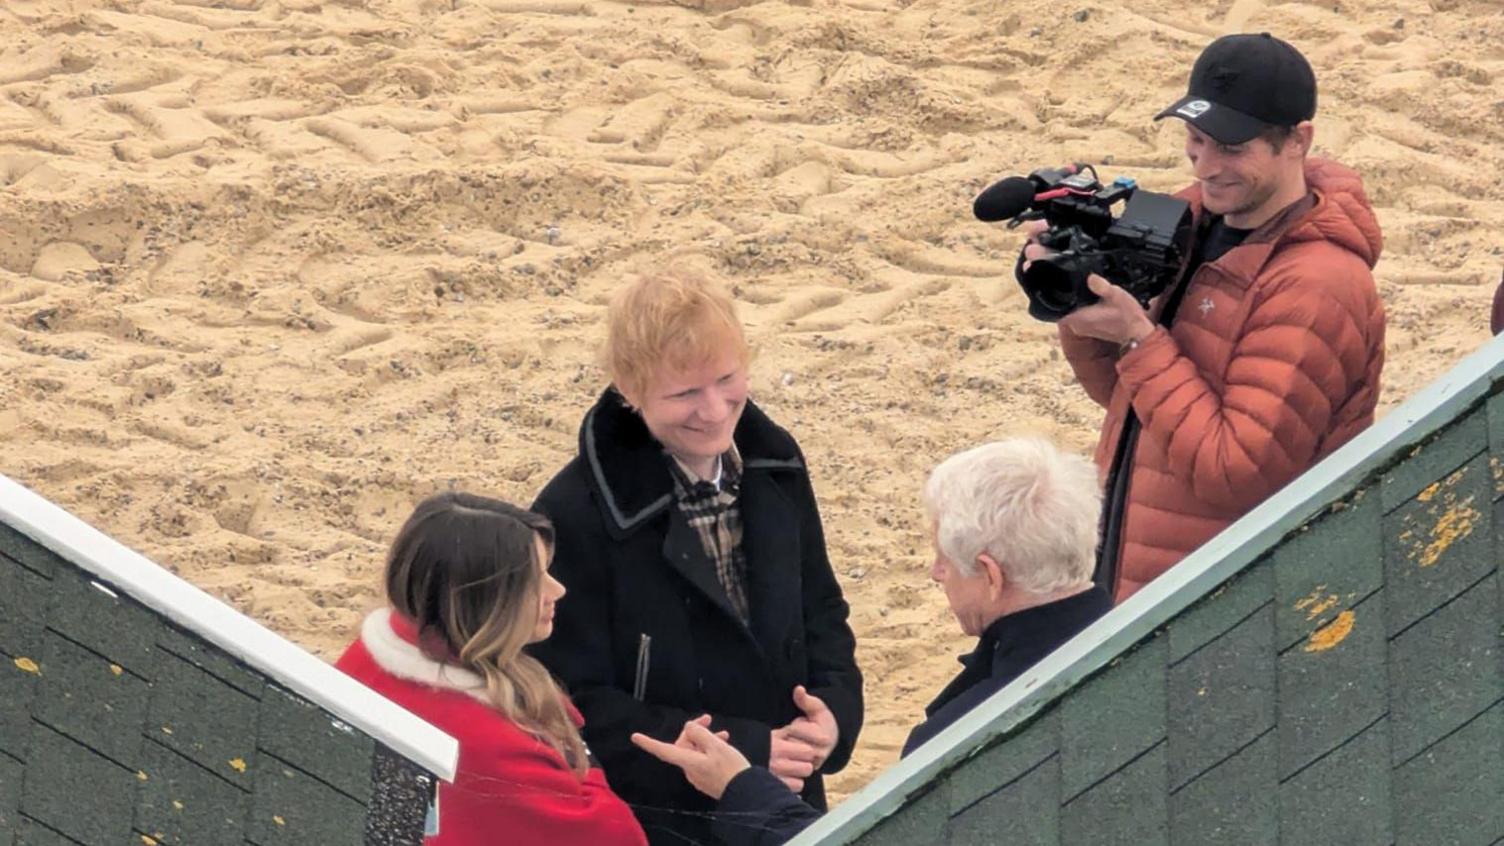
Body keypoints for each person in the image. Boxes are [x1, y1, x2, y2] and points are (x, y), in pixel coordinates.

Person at [1027, 32, 1386, 600]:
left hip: (1229, 604)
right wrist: (1080, 302)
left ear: (1298, 141)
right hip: (1141, 569)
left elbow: (1235, 471)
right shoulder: (1186, 218)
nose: (1206, 165)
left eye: (1232, 148)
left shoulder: (1319, 287)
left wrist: (1141, 341)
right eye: (1195, 140)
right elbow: (1129, 405)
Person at [633, 438, 1113, 846]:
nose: (935, 571)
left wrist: (740, 788)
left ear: (990, 575)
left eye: (944, 557)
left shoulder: (973, 737)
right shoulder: (1143, 633)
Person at [528, 268, 863, 845]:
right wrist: (749, 750)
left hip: (786, 796)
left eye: (727, 379)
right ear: (630, 392)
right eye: (684, 393)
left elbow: (823, 611)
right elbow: (570, 704)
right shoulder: (574, 514)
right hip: (663, 822)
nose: (713, 410)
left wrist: (834, 713)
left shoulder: (777, 464)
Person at [335, 493, 647, 846]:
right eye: (534, 579)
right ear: (483, 597)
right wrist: (579, 756)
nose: (557, 590)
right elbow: (616, 836)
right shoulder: (499, 747)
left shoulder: (366, 657)